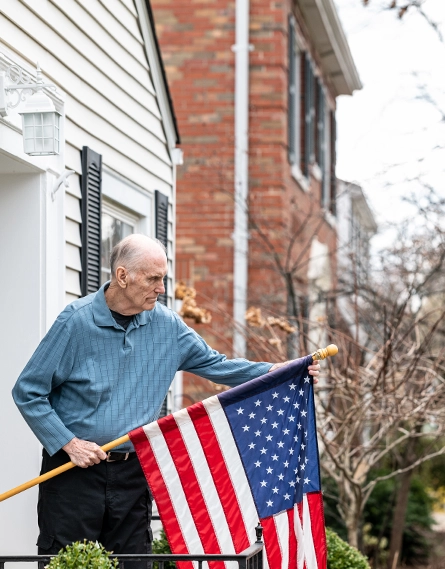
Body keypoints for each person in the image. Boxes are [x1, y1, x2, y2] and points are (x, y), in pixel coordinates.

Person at [12, 234, 320, 559]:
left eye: (163, 278)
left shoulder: (168, 327)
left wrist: (277, 370)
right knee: (68, 564)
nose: (161, 288)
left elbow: (218, 366)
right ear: (122, 276)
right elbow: (28, 391)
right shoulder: (75, 322)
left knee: (134, 564)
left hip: (133, 475)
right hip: (71, 474)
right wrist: (69, 443)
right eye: (153, 279)